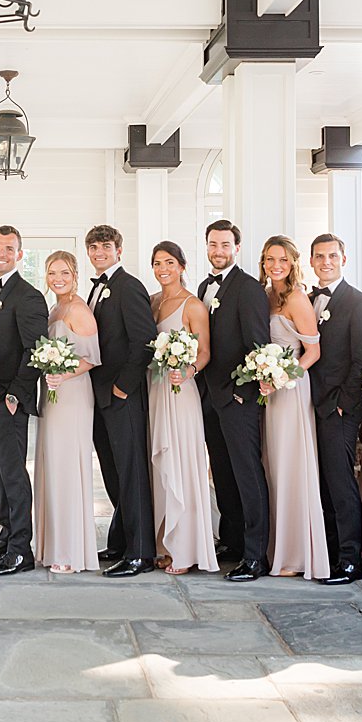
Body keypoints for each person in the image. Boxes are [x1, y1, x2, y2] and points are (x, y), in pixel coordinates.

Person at [195, 220, 272, 582]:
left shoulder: (249, 288)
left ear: (236, 248)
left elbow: (258, 344)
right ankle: (232, 540)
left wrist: (245, 393)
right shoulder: (202, 287)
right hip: (209, 395)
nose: (218, 251)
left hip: (238, 396)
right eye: (213, 244)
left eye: (225, 245)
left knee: (247, 474)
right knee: (221, 473)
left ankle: (256, 556)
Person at [0, 226, 49, 577]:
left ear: (20, 255)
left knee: (14, 474)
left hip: (9, 401)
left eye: (9, 248)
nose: (1, 253)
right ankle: (6, 534)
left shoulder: (29, 296)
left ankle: (21, 550)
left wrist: (15, 395)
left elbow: (36, 351)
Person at [304, 234, 362, 585]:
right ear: (311, 261)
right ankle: (328, 554)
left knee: (340, 481)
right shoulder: (305, 300)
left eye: (332, 256)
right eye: (319, 256)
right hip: (306, 406)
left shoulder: (361, 304)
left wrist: (342, 406)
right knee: (318, 483)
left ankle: (351, 560)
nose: (325, 262)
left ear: (344, 259)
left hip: (337, 409)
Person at [84, 225, 157, 577]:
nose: (99, 252)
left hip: (121, 397)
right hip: (97, 398)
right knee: (112, 473)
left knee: (131, 472)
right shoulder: (94, 290)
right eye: (94, 247)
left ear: (119, 250)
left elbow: (144, 340)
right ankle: (121, 540)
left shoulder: (129, 287)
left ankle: (140, 553)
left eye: (106, 247)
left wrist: (123, 389)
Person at [257, 236, 328, 581]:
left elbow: (312, 352)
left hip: (291, 389)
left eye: (282, 259)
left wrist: (283, 377)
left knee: (290, 465)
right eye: (270, 259)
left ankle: (296, 553)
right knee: (271, 465)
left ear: (293, 262)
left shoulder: (297, 298)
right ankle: (274, 547)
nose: (276, 265)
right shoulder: (265, 295)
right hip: (267, 389)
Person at [146, 241, 218, 576]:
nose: (163, 269)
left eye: (169, 263)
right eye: (158, 263)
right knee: (160, 467)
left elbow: (204, 352)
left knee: (181, 462)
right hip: (156, 389)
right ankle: (165, 544)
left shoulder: (194, 306)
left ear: (182, 266)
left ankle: (186, 549)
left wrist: (187, 370)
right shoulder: (153, 302)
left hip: (180, 389)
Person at [34, 251, 101, 575]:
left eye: (63, 273)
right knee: (52, 467)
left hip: (72, 394)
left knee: (68, 469)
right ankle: (51, 546)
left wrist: (64, 374)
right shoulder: (54, 308)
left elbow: (92, 357)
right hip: (52, 393)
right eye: (52, 273)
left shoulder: (79, 309)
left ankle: (71, 551)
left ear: (75, 275)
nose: (57, 278)